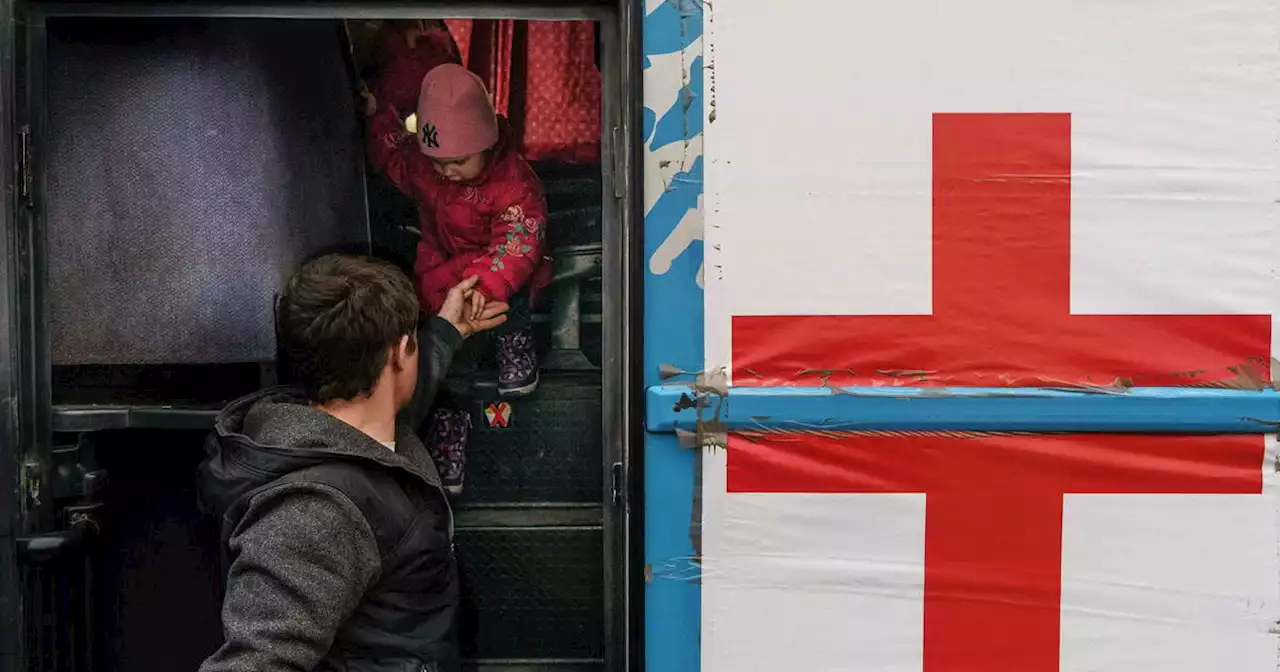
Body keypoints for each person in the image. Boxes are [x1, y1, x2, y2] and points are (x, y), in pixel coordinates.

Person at [196, 254, 507, 672]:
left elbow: (397, 397)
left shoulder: (348, 434)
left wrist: (448, 332)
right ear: (398, 354)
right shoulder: (316, 510)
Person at [362, 62, 551, 494]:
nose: (446, 171)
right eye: (438, 161)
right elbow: (393, 154)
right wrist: (376, 114)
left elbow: (518, 247)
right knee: (447, 363)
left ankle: (515, 344)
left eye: (459, 161)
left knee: (510, 297)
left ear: (486, 143)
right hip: (441, 272)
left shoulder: (515, 184)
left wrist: (483, 288)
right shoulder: (425, 166)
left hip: (496, 269)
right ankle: (447, 439)